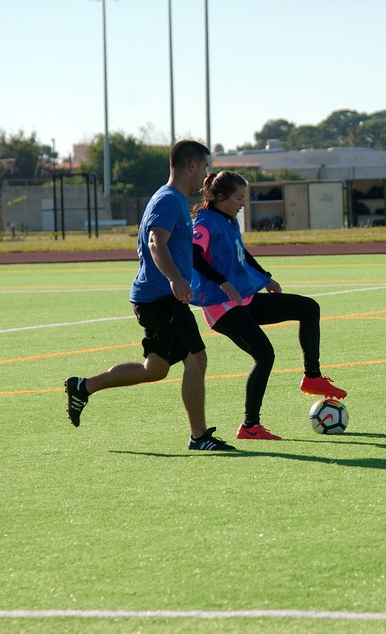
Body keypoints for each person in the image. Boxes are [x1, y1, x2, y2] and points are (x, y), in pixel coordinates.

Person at [65, 139, 234, 451]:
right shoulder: (169, 199)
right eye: (205, 167)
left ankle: (83, 387)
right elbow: (156, 242)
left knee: (154, 369)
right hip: (160, 297)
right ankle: (199, 437)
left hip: (153, 296)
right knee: (196, 358)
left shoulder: (174, 199)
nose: (206, 175)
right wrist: (174, 279)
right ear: (192, 165)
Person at [189, 170, 347, 440]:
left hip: (244, 300)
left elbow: (241, 253)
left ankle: (312, 376)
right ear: (219, 197)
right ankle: (250, 427)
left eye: (244, 198)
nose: (243, 203)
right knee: (264, 355)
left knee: (308, 308)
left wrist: (265, 277)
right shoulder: (204, 223)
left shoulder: (229, 221)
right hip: (221, 308)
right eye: (239, 198)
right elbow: (194, 255)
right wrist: (222, 282)